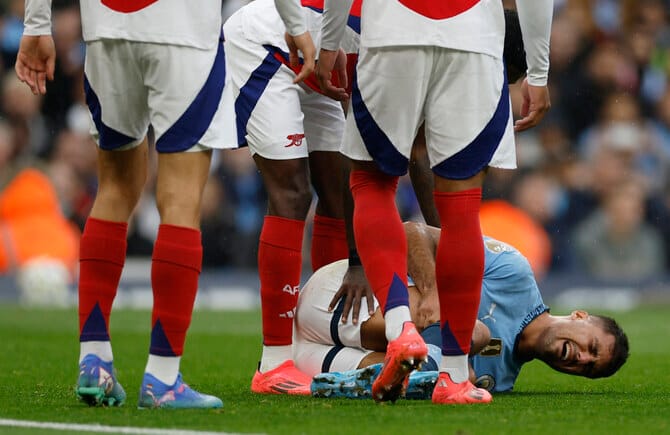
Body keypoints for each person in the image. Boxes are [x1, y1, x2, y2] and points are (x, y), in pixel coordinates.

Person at [15, 0, 315, 408]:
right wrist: (295, 23)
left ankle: (95, 358)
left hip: (108, 29)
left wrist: (36, 24)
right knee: (181, 197)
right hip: (183, 29)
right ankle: (162, 376)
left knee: (115, 188)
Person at [314, 0, 553, 404]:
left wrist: (329, 41)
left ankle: (400, 329)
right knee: (462, 207)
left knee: (372, 181)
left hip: (393, 32)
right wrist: (539, 71)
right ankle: (456, 376)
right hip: (474, 40)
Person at [292, 222, 629, 398]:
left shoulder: (499, 381)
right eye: (592, 347)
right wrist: (433, 292)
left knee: (458, 372)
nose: (582, 359)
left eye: (588, 369)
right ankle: (432, 365)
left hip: (313, 355)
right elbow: (413, 232)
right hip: (342, 298)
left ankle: (360, 383)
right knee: (471, 336)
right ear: (580, 315)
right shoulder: (514, 271)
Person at [222, 0, 361, 395]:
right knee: (293, 193)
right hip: (268, 45)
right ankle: (275, 361)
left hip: (323, 64)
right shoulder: (406, 23)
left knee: (339, 194)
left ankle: (322, 343)